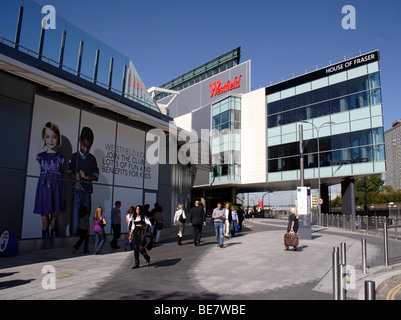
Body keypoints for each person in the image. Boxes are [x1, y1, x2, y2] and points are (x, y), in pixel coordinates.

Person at [34, 122, 65, 238]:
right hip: (44, 185)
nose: (51, 140)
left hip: (56, 185)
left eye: (54, 137)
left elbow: (61, 170)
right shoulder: (40, 156)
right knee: (44, 215)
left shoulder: (61, 157)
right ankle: (45, 234)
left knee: (54, 215)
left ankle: (53, 231)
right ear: (44, 138)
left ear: (58, 138)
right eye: (47, 137)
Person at [68, 127, 99, 236]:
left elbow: (96, 176)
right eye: (84, 146)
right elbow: (69, 171)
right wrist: (73, 176)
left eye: (88, 147)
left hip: (86, 193)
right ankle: (73, 238)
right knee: (75, 216)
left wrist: (86, 177)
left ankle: (83, 239)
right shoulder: (74, 157)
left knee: (85, 218)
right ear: (80, 141)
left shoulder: (91, 159)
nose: (86, 149)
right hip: (76, 192)